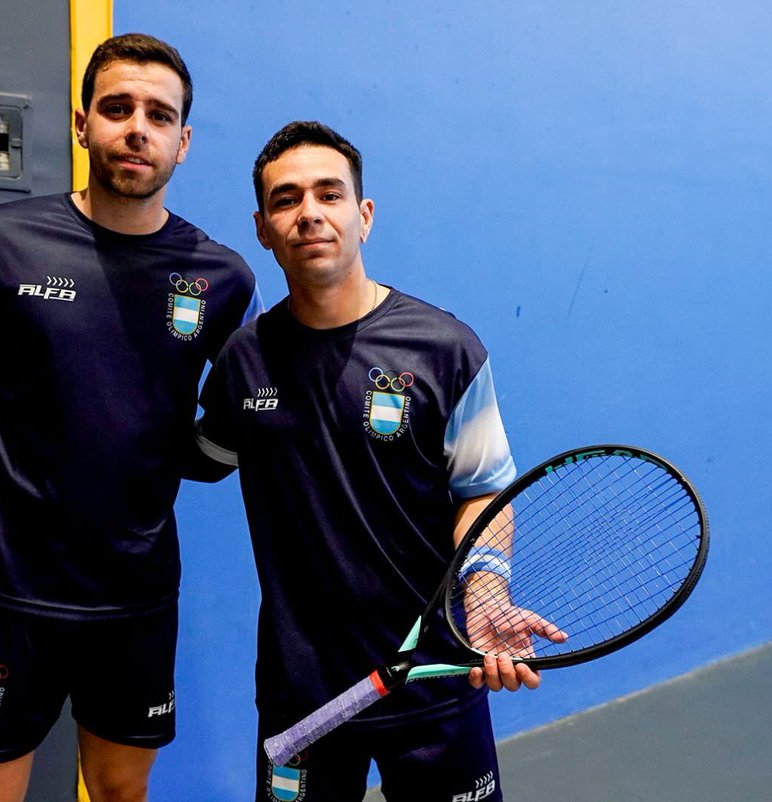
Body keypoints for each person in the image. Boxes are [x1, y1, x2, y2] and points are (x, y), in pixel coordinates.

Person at [0, 33, 261, 802]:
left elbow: (240, 426)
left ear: (183, 142)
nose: (137, 127)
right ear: (81, 123)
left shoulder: (223, 280)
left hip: (135, 602)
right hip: (4, 596)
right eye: (117, 107)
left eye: (158, 115)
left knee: (120, 794)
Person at [193, 121, 556, 801]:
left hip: (434, 675)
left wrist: (484, 590)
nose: (309, 213)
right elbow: (199, 456)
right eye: (286, 199)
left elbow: (483, 491)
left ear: (363, 215)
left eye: (329, 194)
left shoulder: (445, 350)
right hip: (302, 691)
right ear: (264, 228)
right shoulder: (244, 362)